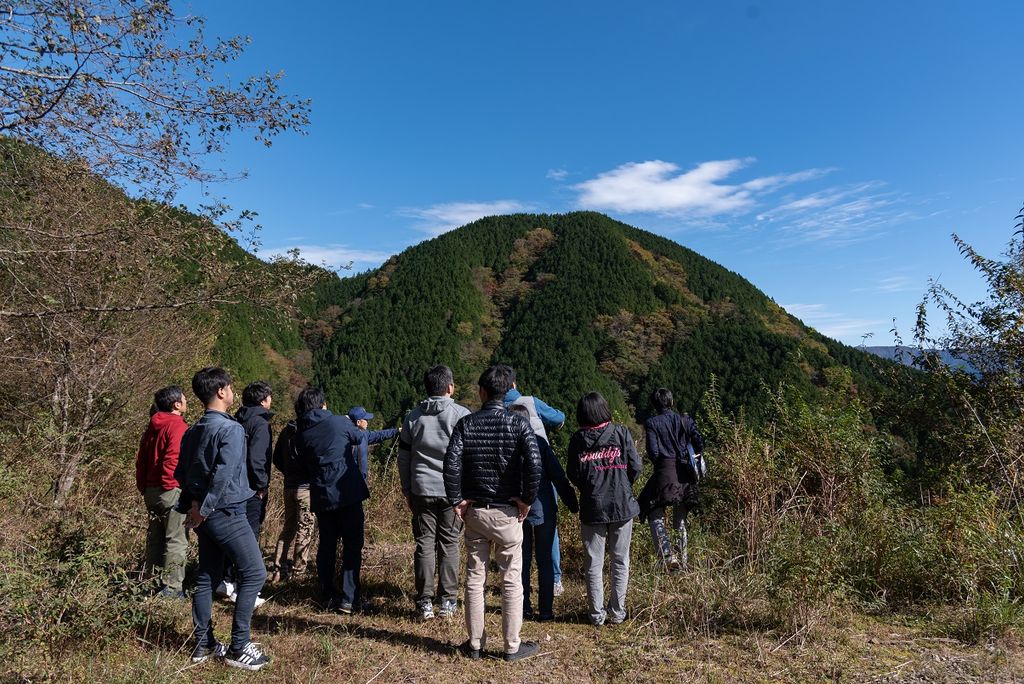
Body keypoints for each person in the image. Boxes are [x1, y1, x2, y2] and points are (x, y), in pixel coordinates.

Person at [443, 364, 543, 662]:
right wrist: (526, 499)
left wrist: (457, 500)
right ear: (509, 389)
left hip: (475, 511)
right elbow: (535, 465)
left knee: (475, 578)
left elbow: (451, 464)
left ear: (481, 391)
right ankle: (511, 647)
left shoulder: (467, 423)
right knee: (511, 579)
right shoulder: (519, 424)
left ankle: (475, 645)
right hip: (508, 513)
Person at [175, 367, 269, 671]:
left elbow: (181, 473)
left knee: (207, 577)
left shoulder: (193, 429)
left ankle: (204, 644)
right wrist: (204, 508)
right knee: (255, 573)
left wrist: (194, 506)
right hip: (226, 511)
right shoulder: (230, 429)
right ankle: (239, 646)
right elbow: (224, 475)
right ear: (220, 391)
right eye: (229, 387)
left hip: (203, 514)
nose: (232, 391)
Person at [398, 365, 471, 620]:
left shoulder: (413, 417)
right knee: (449, 543)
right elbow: (469, 457)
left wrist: (407, 489)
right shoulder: (461, 415)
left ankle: (425, 601)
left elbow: (404, 457)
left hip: (420, 489)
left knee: (424, 543)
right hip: (452, 491)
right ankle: (448, 601)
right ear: (450, 387)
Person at [566, 392, 642, 627]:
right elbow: (636, 466)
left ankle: (596, 615)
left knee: (594, 562)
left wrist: (589, 487)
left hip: (593, 506)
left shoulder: (578, 439)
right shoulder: (621, 433)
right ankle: (618, 613)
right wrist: (623, 485)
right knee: (620, 560)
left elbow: (573, 473)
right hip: (621, 504)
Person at [293, 387, 367, 614]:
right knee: (352, 545)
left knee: (327, 545)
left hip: (322, 496)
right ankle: (348, 597)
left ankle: (326, 593)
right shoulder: (338, 422)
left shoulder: (301, 434)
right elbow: (360, 438)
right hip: (348, 493)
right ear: (322, 404)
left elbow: (301, 466)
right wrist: (360, 427)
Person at [506, 404, 578, 622]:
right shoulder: (540, 443)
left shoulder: (507, 446)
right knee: (545, 560)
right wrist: (572, 503)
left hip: (516, 512)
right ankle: (546, 610)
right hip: (544, 509)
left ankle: (524, 607)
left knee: (522, 560)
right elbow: (558, 475)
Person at [502, 371, 568, 596]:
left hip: (510, 490)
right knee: (548, 535)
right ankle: (554, 582)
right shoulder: (530, 402)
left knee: (518, 544)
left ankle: (520, 593)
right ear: (513, 383)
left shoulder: (492, 409)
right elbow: (559, 418)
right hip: (542, 484)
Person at [637, 388, 705, 571]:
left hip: (664, 472)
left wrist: (662, 462)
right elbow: (699, 443)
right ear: (671, 402)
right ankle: (682, 562)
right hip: (685, 473)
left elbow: (653, 452)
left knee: (653, 512)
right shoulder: (685, 419)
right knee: (680, 517)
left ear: (654, 405)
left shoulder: (652, 423)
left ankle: (667, 556)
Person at [219, 381, 274, 606]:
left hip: (234, 486)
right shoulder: (260, 423)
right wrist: (261, 485)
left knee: (233, 535)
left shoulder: (237, 419)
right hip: (251, 488)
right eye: (270, 397)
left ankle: (226, 579)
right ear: (264, 400)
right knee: (249, 536)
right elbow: (257, 459)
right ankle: (244, 589)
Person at [135, 385, 189, 599]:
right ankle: (172, 589)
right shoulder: (177, 425)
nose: (186, 401)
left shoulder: (152, 427)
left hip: (151, 490)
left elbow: (142, 461)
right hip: (170, 490)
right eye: (184, 399)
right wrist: (173, 485)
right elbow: (173, 459)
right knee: (176, 540)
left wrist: (144, 487)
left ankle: (152, 584)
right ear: (176, 404)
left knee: (156, 539)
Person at [268, 418, 316, 583]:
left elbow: (276, 459)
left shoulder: (285, 431)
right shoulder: (309, 432)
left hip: (289, 486)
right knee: (305, 530)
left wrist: (288, 472)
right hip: (306, 489)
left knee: (288, 528)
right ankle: (298, 574)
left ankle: (278, 570)